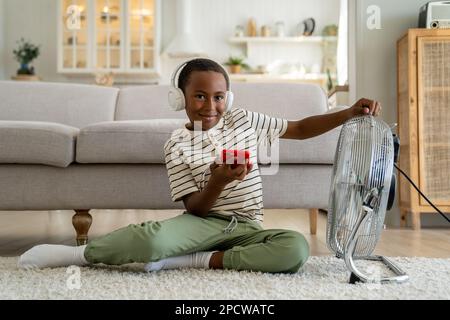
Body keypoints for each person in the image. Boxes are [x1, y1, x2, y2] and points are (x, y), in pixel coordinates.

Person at [18, 58, 381, 273]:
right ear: (182, 99)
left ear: (229, 98)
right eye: (200, 96)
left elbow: (301, 129)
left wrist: (348, 113)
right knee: (154, 239)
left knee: (295, 250)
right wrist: (218, 181)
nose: (210, 106)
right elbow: (195, 207)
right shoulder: (176, 143)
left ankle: (192, 261)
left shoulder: (243, 120)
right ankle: (80, 255)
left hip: (250, 226)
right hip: (204, 222)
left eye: (218, 96)